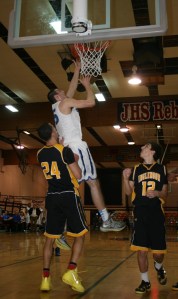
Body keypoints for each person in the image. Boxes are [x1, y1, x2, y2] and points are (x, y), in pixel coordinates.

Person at [47, 60, 125, 233]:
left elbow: (71, 89)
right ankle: (105, 220)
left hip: (66, 150)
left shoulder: (57, 106)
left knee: (72, 187)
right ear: (58, 97)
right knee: (93, 183)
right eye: (61, 91)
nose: (64, 91)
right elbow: (90, 103)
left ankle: (60, 226)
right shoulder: (65, 103)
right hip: (76, 147)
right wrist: (88, 86)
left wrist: (77, 70)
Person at [37, 122, 88, 293]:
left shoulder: (39, 153)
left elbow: (57, 160)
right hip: (68, 195)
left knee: (49, 239)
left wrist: (66, 152)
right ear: (53, 132)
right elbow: (78, 175)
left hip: (52, 197)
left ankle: (45, 279)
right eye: (53, 127)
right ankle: (71, 271)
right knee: (80, 235)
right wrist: (73, 158)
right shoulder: (64, 150)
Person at [123, 142, 168, 294]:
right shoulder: (136, 169)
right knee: (141, 250)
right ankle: (145, 281)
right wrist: (125, 178)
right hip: (140, 212)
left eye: (145, 146)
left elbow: (165, 192)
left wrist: (157, 193)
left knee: (158, 254)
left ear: (152, 151)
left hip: (156, 213)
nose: (142, 148)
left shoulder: (162, 169)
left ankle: (159, 267)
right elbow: (128, 193)